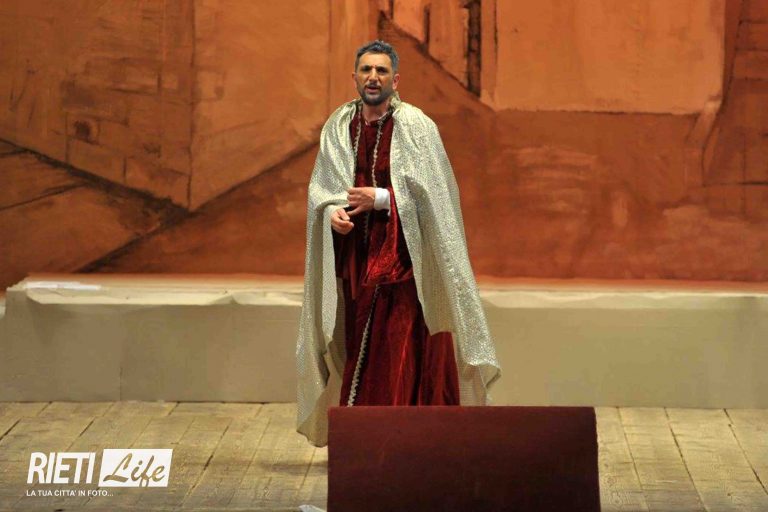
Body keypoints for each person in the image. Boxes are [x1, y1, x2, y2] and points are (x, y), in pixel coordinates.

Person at [296, 40, 500, 447]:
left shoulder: (416, 126)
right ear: (355, 76)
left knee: (398, 349)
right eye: (366, 70)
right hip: (356, 260)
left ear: (396, 79)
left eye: (381, 71)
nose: (373, 77)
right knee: (359, 345)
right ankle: (366, 442)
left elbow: (436, 197)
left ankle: (400, 441)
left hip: (405, 262)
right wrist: (331, 211)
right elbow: (324, 186)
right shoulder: (339, 125)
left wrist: (382, 199)